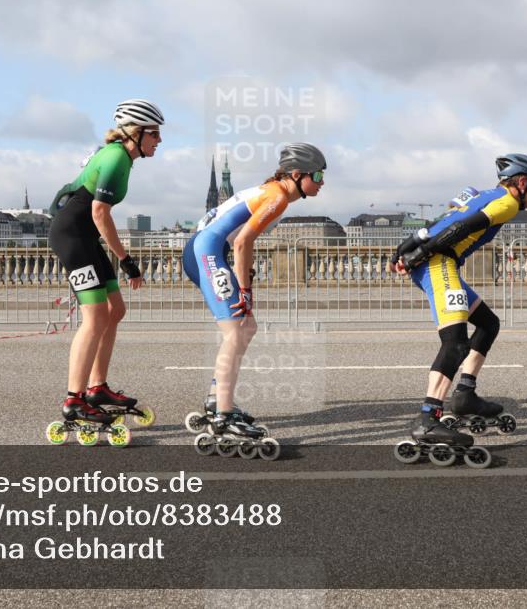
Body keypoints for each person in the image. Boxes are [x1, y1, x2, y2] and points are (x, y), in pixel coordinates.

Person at [390, 153, 527, 448]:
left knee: (487, 323)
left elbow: (438, 220)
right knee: (456, 343)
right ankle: (428, 419)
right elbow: (462, 227)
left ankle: (465, 394)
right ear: (522, 182)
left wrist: (404, 248)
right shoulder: (508, 203)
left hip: (436, 259)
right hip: (439, 262)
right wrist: (420, 255)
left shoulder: (481, 194)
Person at [182, 143, 327, 447]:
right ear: (298, 175)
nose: (322, 182)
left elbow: (232, 234)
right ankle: (223, 415)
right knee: (235, 330)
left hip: (207, 248)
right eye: (318, 174)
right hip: (208, 250)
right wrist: (245, 290)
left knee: (247, 327)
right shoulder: (277, 197)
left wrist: (244, 278)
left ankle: (216, 398)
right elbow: (242, 242)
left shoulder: (270, 190)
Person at [48, 99, 164, 431]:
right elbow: (100, 212)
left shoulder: (120, 156)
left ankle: (97, 388)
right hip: (73, 237)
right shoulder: (115, 158)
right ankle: (74, 399)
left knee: (116, 310)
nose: (159, 140)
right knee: (96, 318)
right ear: (135, 133)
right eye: (154, 133)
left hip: (85, 238)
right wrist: (127, 261)